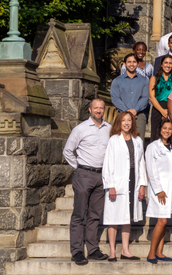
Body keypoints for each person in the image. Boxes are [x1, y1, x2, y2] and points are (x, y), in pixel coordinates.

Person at [64, 98, 111, 265]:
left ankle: (92, 250)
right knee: (79, 215)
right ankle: (77, 251)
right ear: (90, 110)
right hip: (84, 174)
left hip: (101, 177)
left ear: (104, 110)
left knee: (94, 215)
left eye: (101, 108)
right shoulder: (80, 129)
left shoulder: (109, 129)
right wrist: (79, 168)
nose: (98, 111)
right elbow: (68, 151)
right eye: (95, 108)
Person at [102, 111, 147, 262]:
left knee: (127, 216)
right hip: (118, 181)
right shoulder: (114, 140)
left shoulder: (138, 140)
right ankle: (113, 251)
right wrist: (110, 186)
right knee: (114, 217)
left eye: (129, 120)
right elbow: (108, 164)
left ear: (133, 122)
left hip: (133, 178)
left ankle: (126, 251)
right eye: (124, 121)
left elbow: (141, 163)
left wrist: (142, 185)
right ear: (119, 123)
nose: (127, 123)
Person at [144, 119, 172, 264]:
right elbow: (151, 170)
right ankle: (151, 253)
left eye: (170, 129)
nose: (167, 131)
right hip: (160, 190)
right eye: (165, 128)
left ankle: (159, 251)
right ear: (160, 129)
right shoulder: (153, 147)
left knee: (165, 221)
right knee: (162, 220)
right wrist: (159, 190)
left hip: (171, 190)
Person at [111, 53, 150, 139]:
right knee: (121, 140)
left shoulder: (144, 80)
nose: (131, 64)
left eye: (134, 62)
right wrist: (127, 112)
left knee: (139, 141)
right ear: (124, 64)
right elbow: (115, 98)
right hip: (122, 113)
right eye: (129, 62)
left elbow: (145, 98)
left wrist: (135, 110)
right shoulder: (117, 81)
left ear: (137, 63)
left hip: (139, 115)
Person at [148, 55, 172, 142]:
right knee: (156, 134)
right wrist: (162, 111)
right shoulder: (154, 79)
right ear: (161, 64)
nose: (168, 65)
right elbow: (151, 97)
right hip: (158, 108)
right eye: (165, 62)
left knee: (171, 135)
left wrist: (170, 112)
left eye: (170, 63)